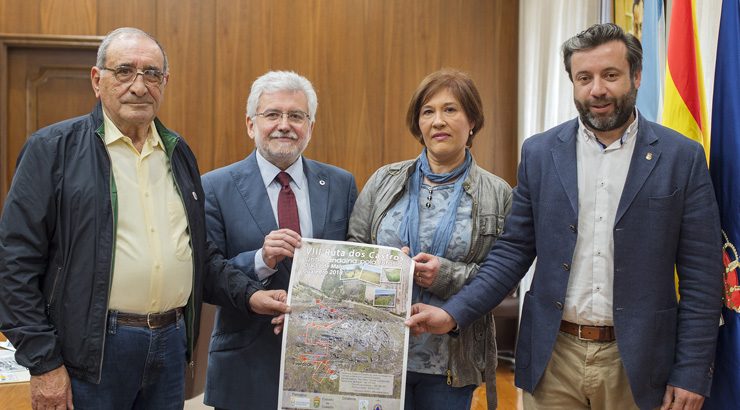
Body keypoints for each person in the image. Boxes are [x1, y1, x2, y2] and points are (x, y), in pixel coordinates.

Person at [406, 23, 723, 410]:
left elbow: (703, 276)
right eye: (584, 78)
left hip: (639, 364)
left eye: (610, 75)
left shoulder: (681, 157)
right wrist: (452, 313)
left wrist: (690, 371)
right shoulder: (541, 153)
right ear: (572, 82)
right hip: (553, 359)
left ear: (636, 76)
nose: (597, 90)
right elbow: (512, 253)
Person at [0, 27, 289, 410]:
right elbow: (13, 264)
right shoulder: (53, 150)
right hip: (92, 353)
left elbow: (197, 254)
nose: (139, 85)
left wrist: (251, 295)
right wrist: (44, 363)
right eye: (124, 71)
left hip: (169, 346)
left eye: (151, 73)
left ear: (164, 82)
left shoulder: (177, 152)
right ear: (97, 79)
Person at [348, 69, 512, 410]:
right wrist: (385, 267)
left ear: (472, 121)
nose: (438, 121)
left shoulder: (499, 195)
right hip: (379, 352)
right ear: (418, 124)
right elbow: (352, 254)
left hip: (451, 360)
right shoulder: (384, 181)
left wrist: (446, 275)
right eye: (428, 111)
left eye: (450, 110)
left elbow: (503, 279)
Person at [201, 70, 357, 409]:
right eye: (272, 114)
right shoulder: (214, 187)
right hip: (246, 367)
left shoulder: (341, 185)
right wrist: (260, 260)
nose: (284, 124)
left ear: (310, 128)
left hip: (324, 366)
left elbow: (352, 264)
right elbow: (206, 274)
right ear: (250, 124)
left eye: (296, 116)